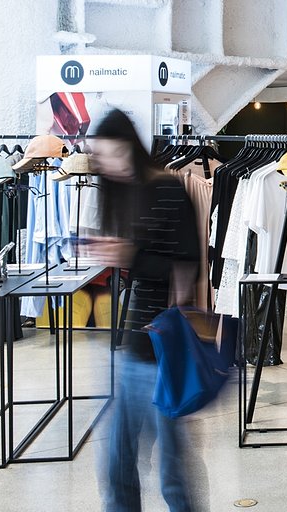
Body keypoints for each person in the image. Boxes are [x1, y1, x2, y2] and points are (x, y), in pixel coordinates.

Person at [87, 109, 208, 512]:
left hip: (164, 349)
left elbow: (187, 269)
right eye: (101, 157)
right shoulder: (124, 192)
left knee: (172, 466)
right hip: (134, 343)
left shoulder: (167, 188)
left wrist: (129, 256)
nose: (108, 164)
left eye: (114, 153)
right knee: (118, 460)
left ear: (131, 148)